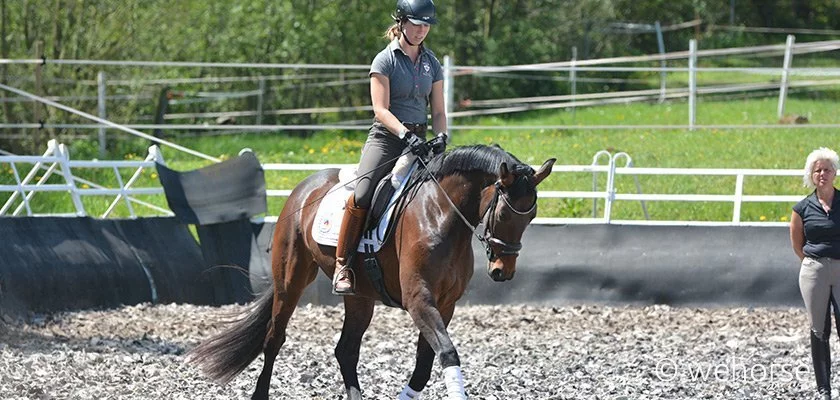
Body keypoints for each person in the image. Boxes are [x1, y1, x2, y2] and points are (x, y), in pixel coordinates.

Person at [332, 0, 448, 295]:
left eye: (427, 26)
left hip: (421, 141)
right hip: (387, 138)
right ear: (401, 22)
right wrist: (404, 135)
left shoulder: (431, 63)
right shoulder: (384, 60)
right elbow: (380, 109)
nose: (422, 31)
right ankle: (342, 264)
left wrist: (442, 136)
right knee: (363, 192)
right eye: (416, 24)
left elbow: (437, 111)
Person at [791, 147, 840, 400]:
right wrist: (815, 265)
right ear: (811, 174)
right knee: (819, 329)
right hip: (815, 271)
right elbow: (798, 245)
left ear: (835, 173)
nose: (822, 174)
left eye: (827, 169)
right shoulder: (802, 208)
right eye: (817, 170)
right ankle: (824, 389)